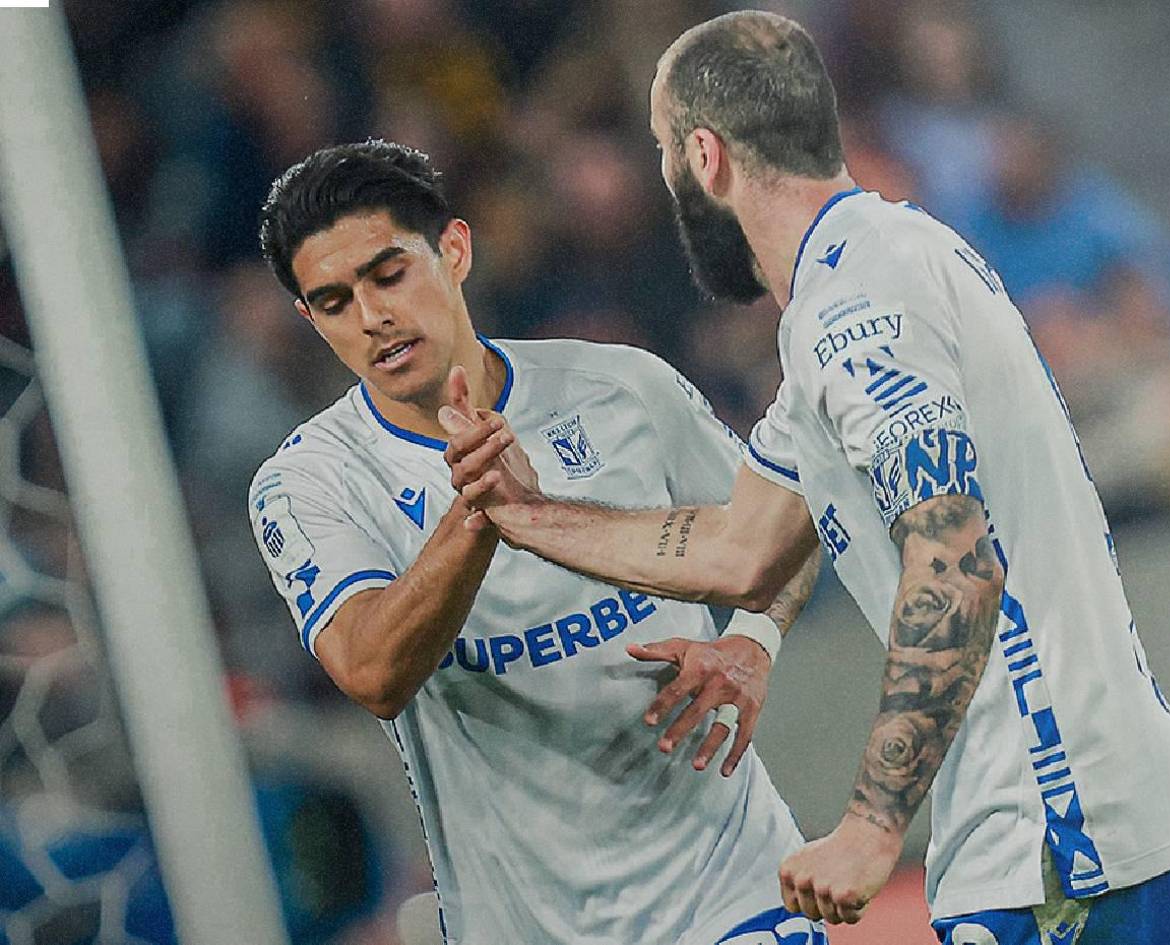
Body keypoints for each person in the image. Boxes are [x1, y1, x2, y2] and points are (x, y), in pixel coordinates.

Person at [441, 11, 1170, 944]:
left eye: (664, 153)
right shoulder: (866, 277)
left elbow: (955, 563)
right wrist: (526, 514)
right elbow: (741, 546)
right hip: (1083, 821)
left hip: (1056, 833)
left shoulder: (855, 305)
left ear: (705, 157)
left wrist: (870, 825)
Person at [248, 139, 827, 945]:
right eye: (335, 300)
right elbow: (372, 671)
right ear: (311, 320)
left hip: (729, 888)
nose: (373, 316)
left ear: (454, 250)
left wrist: (755, 640)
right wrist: (483, 509)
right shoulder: (309, 482)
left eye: (389, 274)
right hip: (521, 922)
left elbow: (783, 532)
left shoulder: (620, 387)